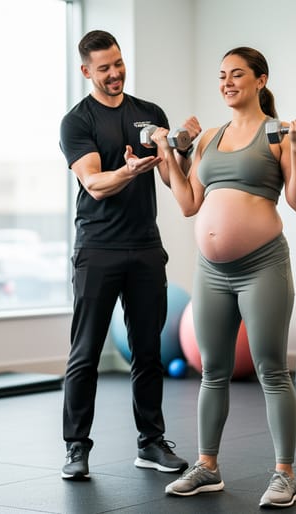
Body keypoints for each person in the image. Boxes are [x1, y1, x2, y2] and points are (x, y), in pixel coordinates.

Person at [154, 47, 296, 508]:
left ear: (260, 80)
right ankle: (207, 466)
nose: (227, 82)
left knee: (271, 370)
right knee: (212, 371)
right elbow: (187, 203)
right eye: (222, 75)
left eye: (237, 74)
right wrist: (168, 153)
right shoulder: (207, 137)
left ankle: (285, 475)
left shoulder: (278, 135)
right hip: (211, 271)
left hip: (261, 265)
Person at [58, 29, 194, 481]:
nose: (115, 73)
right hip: (97, 248)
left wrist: (181, 148)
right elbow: (94, 184)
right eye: (104, 68)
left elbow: (177, 179)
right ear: (86, 72)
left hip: (145, 247)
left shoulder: (149, 114)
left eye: (118, 63)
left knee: (149, 350)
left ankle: (151, 442)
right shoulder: (77, 122)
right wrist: (129, 171)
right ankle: (76, 448)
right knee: (86, 353)